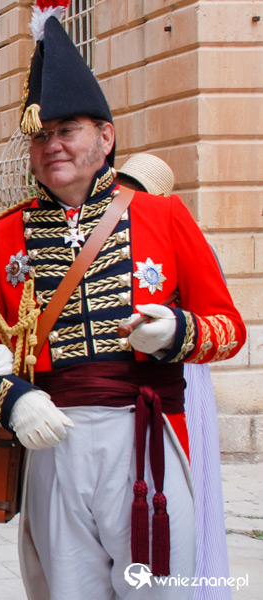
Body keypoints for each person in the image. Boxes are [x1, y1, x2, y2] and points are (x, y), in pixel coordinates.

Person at [0, 4, 246, 599]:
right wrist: (12, 399)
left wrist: (178, 331)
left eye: (67, 130)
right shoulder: (2, 237)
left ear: (105, 137)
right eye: (41, 135)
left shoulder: (163, 215)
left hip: (147, 436)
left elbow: (229, 328)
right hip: (51, 442)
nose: (52, 144)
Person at [117, 153, 231, 600]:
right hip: (132, 382)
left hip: (182, 371)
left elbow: (215, 317)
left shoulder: (177, 233)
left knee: (190, 472)